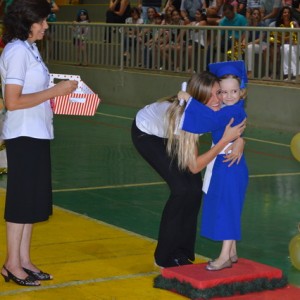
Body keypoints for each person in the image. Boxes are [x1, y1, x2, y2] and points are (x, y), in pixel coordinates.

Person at [131, 71, 246, 268]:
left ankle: (183, 253)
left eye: (218, 92)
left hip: (176, 135)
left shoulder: (213, 108)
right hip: (148, 135)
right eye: (209, 96)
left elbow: (230, 129)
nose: (217, 99)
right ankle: (164, 256)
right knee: (181, 189)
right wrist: (226, 141)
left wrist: (239, 141)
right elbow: (194, 166)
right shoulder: (184, 117)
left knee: (194, 189)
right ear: (199, 98)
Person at [0, 0, 78, 286]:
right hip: (24, 134)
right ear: (28, 21)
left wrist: (58, 93)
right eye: (43, 20)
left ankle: (23, 260)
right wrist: (55, 90)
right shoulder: (17, 52)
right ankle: (10, 263)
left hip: (38, 132)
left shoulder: (30, 49)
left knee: (32, 200)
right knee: (21, 200)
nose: (46, 25)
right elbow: (13, 101)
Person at [179, 60, 249, 271]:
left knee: (227, 209)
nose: (228, 96)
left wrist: (190, 100)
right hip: (224, 164)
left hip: (230, 165)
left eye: (233, 91)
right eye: (223, 92)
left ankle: (224, 257)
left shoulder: (231, 112)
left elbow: (209, 119)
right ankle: (233, 252)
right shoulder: (231, 108)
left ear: (241, 92)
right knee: (227, 206)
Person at [242, 8, 267, 78]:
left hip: (263, 45)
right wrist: (243, 42)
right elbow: (246, 37)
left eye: (258, 14)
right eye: (254, 14)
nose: (256, 16)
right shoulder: (248, 25)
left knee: (249, 47)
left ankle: (250, 72)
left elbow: (261, 39)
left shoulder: (262, 24)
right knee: (242, 48)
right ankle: (241, 72)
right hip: (252, 45)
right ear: (251, 16)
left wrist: (249, 43)